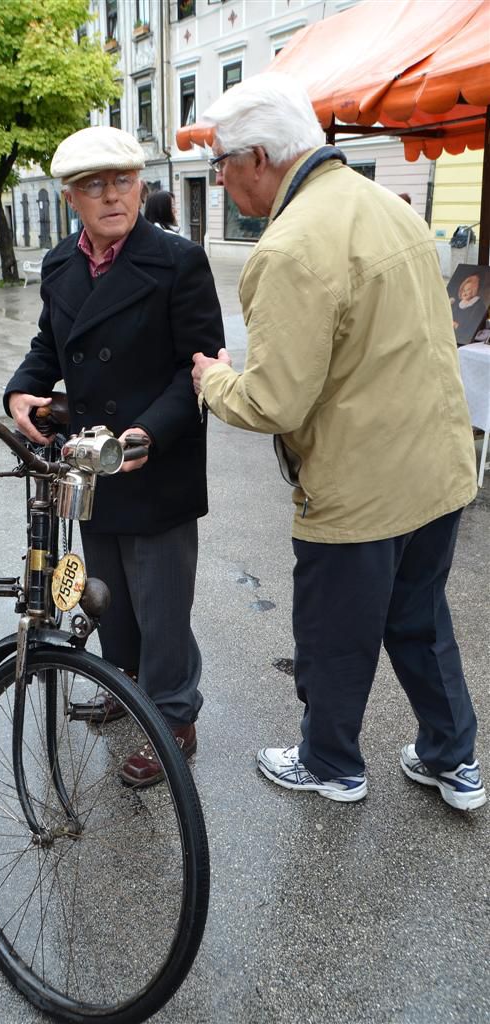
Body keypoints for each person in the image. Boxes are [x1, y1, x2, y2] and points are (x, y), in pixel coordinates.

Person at [191, 72, 485, 811]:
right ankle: (455, 762)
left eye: (222, 162)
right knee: (419, 618)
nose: (220, 178)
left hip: (360, 484)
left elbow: (272, 399)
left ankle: (330, 764)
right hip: (439, 465)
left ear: (259, 158)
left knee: (333, 632)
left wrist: (212, 380)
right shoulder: (386, 204)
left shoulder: (289, 246)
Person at [5, 125, 224, 786]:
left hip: (154, 464)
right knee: (108, 600)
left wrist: (148, 434)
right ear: (71, 196)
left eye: (123, 181)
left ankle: (173, 720)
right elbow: (51, 343)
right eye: (95, 185)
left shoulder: (177, 262)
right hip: (91, 471)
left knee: (162, 608)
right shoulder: (60, 265)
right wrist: (21, 389)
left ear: (141, 186)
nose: (112, 196)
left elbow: (200, 369)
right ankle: (122, 683)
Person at [450, 273, 486, 346]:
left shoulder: (478, 306)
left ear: (474, 290)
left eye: (468, 290)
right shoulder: (458, 304)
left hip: (464, 342)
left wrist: (457, 326)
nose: (464, 293)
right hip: (451, 338)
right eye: (464, 290)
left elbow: (470, 328)